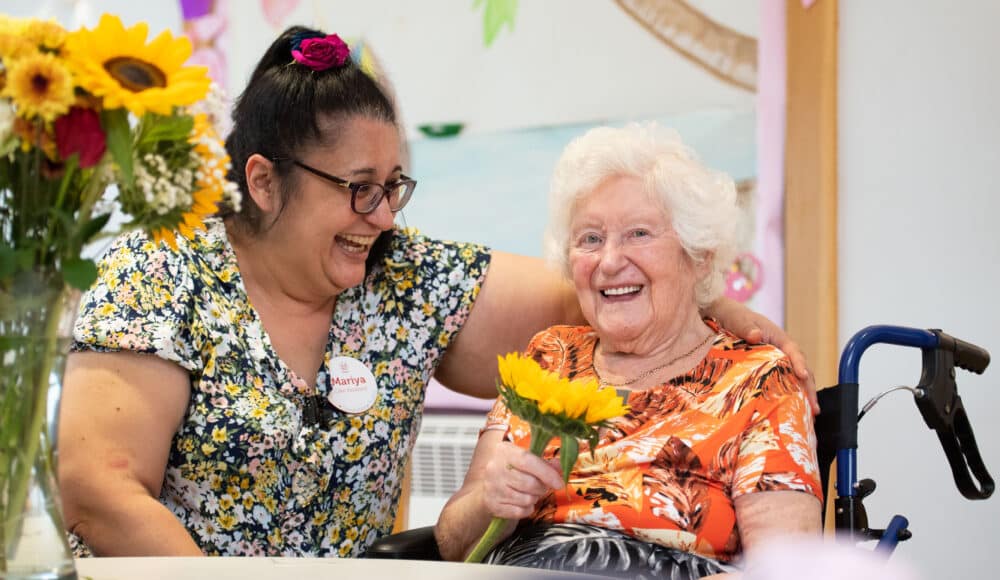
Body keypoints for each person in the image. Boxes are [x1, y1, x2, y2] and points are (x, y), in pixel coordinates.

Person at [57, 26, 813, 558]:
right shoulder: (160, 274)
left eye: (393, 187)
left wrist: (712, 304)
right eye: (358, 190)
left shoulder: (407, 276)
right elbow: (99, 488)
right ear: (263, 181)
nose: (383, 216)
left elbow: (599, 293)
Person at [434, 124, 823, 578]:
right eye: (591, 239)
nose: (610, 261)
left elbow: (788, 570)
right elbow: (451, 544)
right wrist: (488, 501)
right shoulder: (549, 358)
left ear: (698, 256)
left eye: (639, 234)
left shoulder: (758, 381)